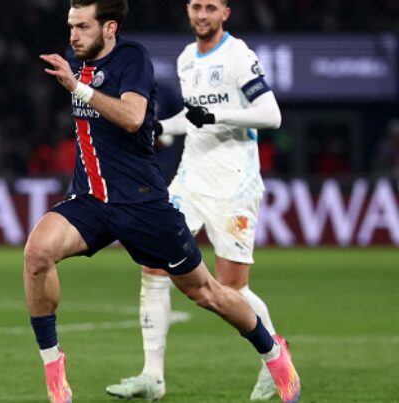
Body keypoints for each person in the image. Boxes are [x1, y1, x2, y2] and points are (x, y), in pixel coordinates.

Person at [24, 1, 300, 403]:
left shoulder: (133, 58)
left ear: (110, 28)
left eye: (83, 26)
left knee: (210, 291)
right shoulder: (83, 59)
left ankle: (273, 352)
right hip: (91, 199)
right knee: (37, 252)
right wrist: (166, 126)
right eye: (71, 26)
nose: (73, 35)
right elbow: (170, 121)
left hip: (143, 203)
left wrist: (78, 87)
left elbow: (134, 117)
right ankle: (58, 372)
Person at [105, 0, 289, 400]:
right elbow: (194, 117)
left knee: (231, 289)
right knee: (154, 264)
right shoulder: (187, 58)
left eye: (210, 7)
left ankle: (274, 355)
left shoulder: (239, 55)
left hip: (234, 182)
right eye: (195, 6)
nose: (201, 15)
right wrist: (158, 128)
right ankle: (152, 378)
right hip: (190, 177)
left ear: (226, 12)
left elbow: (271, 115)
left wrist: (220, 118)